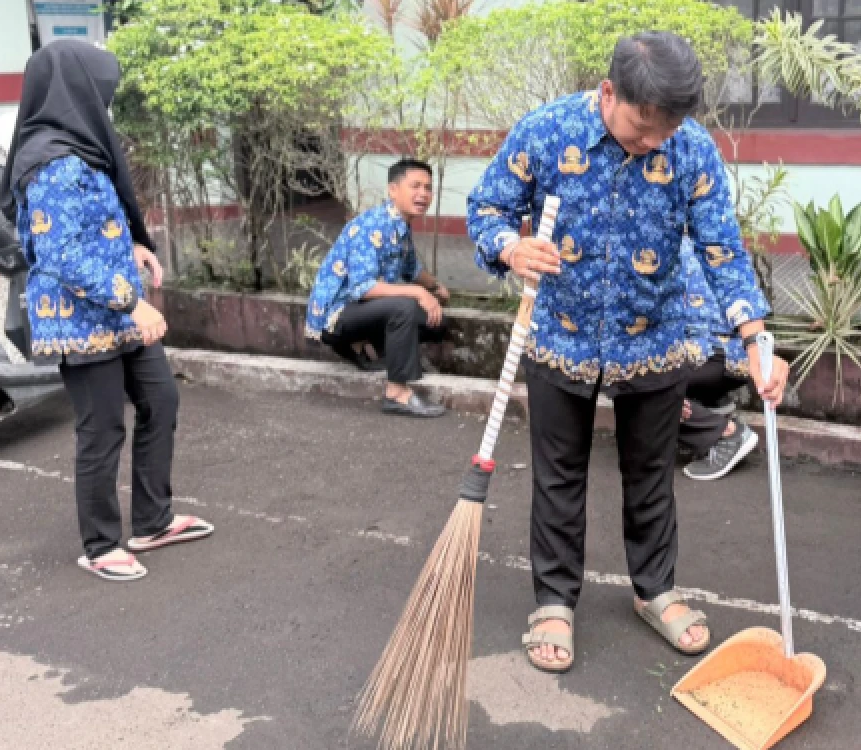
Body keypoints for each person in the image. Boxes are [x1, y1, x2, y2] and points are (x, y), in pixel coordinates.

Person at [468, 31, 789, 673]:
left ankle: (655, 591)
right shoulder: (547, 131)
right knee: (560, 474)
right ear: (609, 93)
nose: (653, 145)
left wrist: (755, 339)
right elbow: (487, 209)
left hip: (656, 335)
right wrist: (509, 247)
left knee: (651, 475)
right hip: (561, 331)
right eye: (643, 128)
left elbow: (721, 249)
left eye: (665, 132)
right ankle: (554, 601)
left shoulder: (691, 150)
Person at [1, 40, 213, 582]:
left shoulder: (83, 148)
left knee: (160, 400)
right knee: (101, 430)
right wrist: (132, 302)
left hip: (118, 309)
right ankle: (99, 544)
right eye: (102, 90)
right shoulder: (48, 160)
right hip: (81, 317)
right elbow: (61, 254)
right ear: (75, 90)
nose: (107, 101)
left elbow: (99, 222)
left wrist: (136, 248)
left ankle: (152, 519)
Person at [305, 159, 450, 418]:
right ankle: (397, 394)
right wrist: (418, 293)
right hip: (336, 317)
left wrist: (436, 288)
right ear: (393, 190)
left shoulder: (400, 225)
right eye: (415, 186)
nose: (423, 194)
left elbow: (412, 269)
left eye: (428, 188)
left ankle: (380, 352)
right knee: (405, 307)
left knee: (434, 320)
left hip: (360, 311)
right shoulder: (373, 225)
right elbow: (362, 288)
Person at [678, 242, 759, 481]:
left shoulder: (665, 247)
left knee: (633, 381)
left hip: (708, 355)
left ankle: (725, 433)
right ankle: (707, 405)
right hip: (740, 356)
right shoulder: (717, 241)